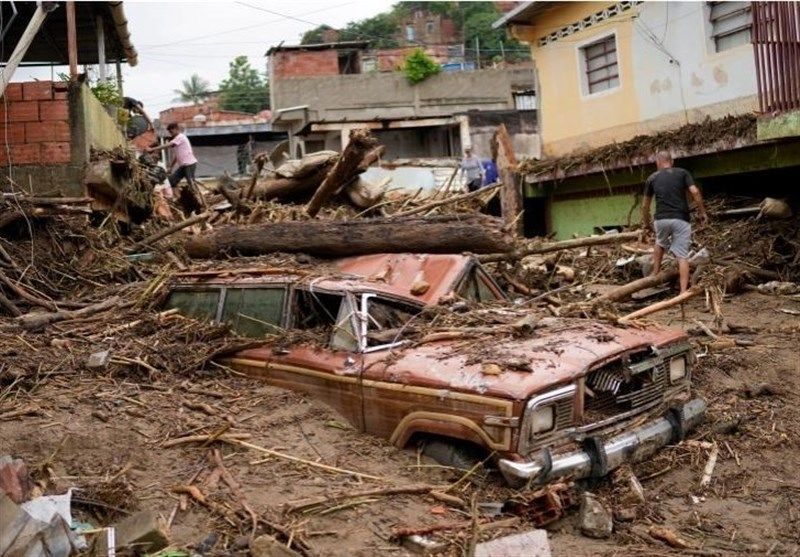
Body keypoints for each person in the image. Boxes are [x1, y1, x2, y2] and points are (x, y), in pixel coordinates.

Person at [641, 151, 708, 293]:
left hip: (662, 219)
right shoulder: (683, 173)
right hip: (681, 219)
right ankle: (683, 291)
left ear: (657, 163)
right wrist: (702, 212)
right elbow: (695, 192)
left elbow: (645, 205)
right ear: (671, 161)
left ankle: (655, 273)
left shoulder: (652, 177)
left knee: (660, 242)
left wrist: (646, 223)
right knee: (682, 255)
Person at [147, 123, 204, 212]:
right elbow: (177, 156)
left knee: (191, 184)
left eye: (171, 131)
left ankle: (200, 203)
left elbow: (168, 145)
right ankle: (178, 199)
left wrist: (153, 149)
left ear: (176, 129)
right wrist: (170, 167)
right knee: (171, 182)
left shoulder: (181, 137)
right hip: (183, 166)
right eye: (169, 132)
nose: (170, 134)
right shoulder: (177, 140)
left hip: (189, 164)